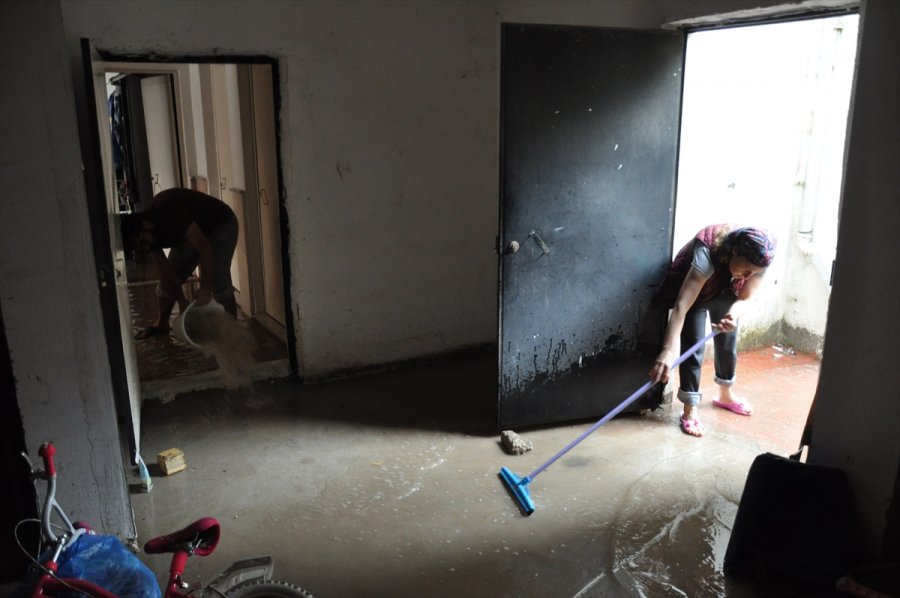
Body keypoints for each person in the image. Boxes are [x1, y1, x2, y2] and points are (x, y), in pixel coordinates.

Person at [649, 224, 776, 437]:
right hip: (696, 295)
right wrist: (667, 351)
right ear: (734, 251)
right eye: (746, 268)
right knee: (693, 346)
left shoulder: (760, 260)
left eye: (753, 273)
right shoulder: (705, 256)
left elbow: (746, 298)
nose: (747, 275)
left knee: (728, 341)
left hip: (725, 290)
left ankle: (725, 394)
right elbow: (681, 306)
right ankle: (689, 408)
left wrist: (733, 315)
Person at [121, 188, 239, 339]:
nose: (146, 247)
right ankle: (162, 323)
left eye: (143, 242)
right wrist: (181, 301)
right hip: (193, 231)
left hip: (221, 224)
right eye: (140, 247)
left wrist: (205, 288)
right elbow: (166, 271)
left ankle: (233, 332)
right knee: (170, 278)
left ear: (147, 225)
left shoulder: (170, 210)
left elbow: (206, 250)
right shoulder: (144, 237)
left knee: (218, 278)